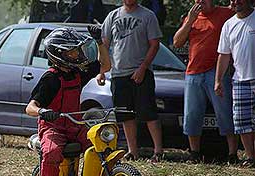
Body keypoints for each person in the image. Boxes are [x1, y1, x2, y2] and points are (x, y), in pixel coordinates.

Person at [25, 27, 109, 176]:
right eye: (73, 51)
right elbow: (30, 107)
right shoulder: (51, 79)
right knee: (53, 152)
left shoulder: (77, 72)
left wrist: (100, 42)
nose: (78, 54)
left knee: (99, 146)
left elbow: (105, 65)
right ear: (59, 54)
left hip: (75, 124)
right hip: (53, 127)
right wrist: (43, 111)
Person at [97, 0, 163, 162]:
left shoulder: (148, 15)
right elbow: (104, 45)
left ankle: (158, 151)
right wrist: (102, 71)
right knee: (125, 115)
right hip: (119, 74)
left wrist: (143, 68)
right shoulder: (112, 16)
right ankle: (133, 151)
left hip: (141, 72)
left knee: (148, 113)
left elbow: (155, 45)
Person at [173, 0, 237, 164]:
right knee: (192, 114)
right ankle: (194, 153)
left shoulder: (225, 13)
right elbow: (177, 42)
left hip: (216, 72)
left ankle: (233, 153)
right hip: (193, 72)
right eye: (198, 0)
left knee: (225, 112)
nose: (201, 2)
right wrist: (190, 21)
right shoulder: (191, 17)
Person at [215, 0, 255, 166]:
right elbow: (224, 55)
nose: (235, 2)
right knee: (242, 122)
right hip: (239, 80)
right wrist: (218, 80)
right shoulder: (228, 24)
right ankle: (251, 157)